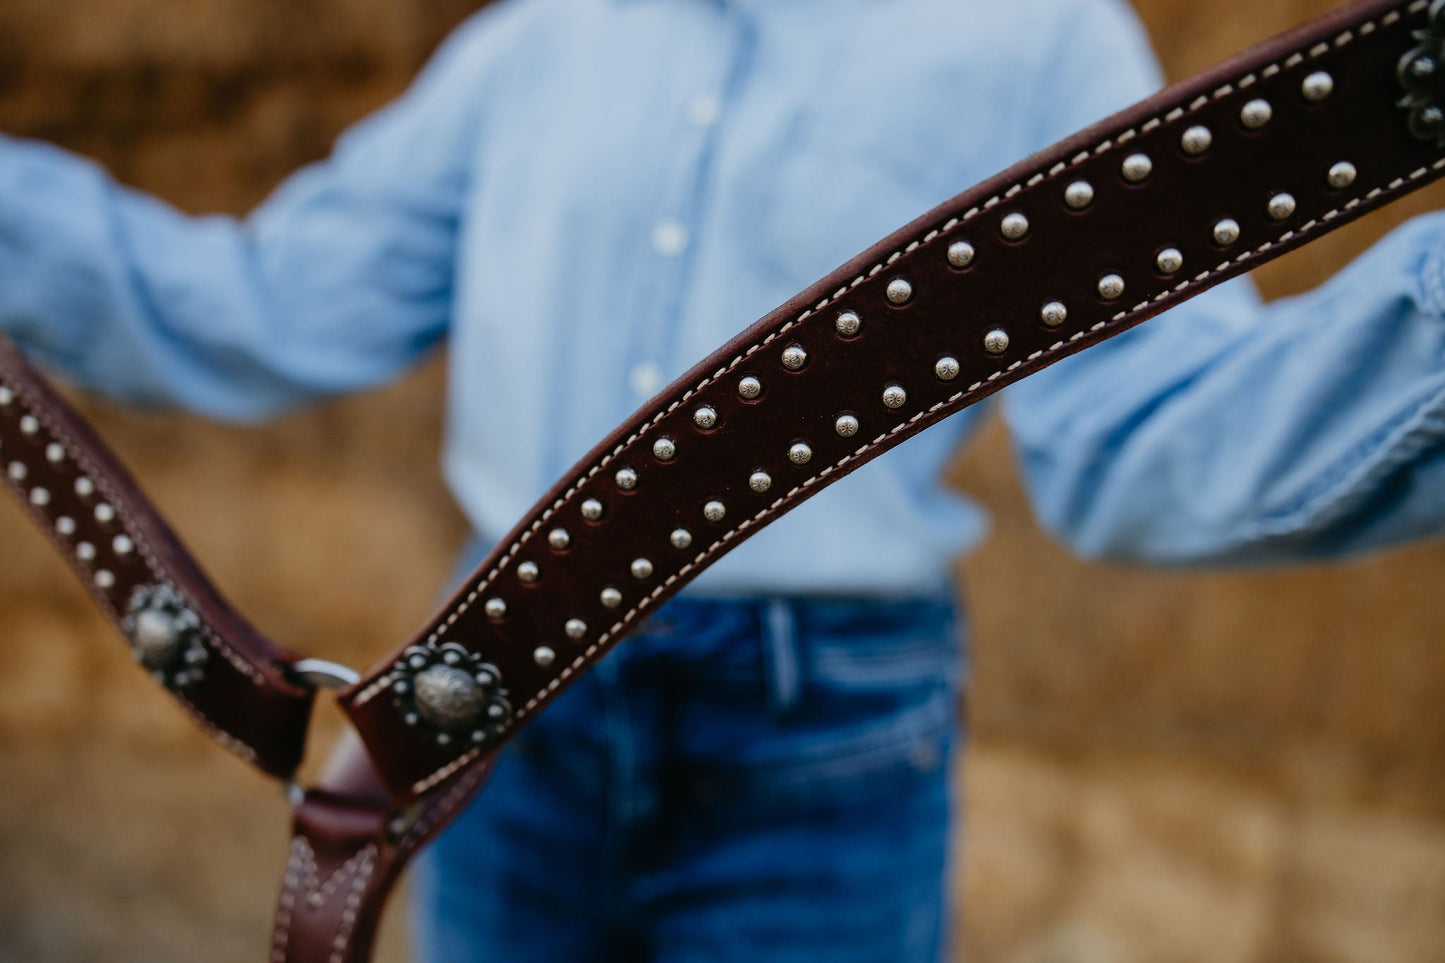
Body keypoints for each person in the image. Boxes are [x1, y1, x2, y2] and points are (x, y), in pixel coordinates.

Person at [3, 0, 1444, 959]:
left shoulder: (1036, 37)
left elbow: (1144, 442)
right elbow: (261, 312)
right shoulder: (540, 36)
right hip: (500, 719)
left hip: (819, 735)